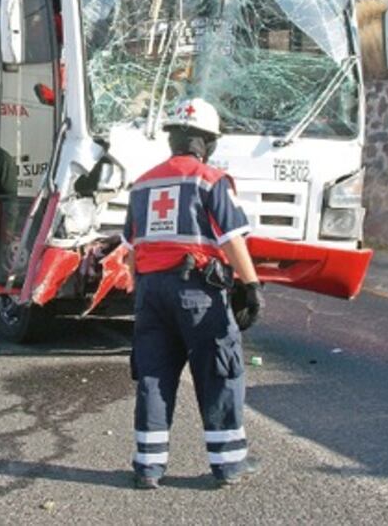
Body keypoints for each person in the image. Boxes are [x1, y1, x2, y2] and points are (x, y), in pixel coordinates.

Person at [121, 97, 266, 490]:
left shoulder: (143, 183)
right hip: (198, 293)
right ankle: (229, 463)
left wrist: (144, 290)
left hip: (151, 293)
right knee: (219, 371)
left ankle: (148, 467)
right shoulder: (210, 180)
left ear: (172, 139)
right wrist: (251, 286)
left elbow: (131, 249)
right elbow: (232, 239)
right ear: (207, 142)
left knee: (153, 375)